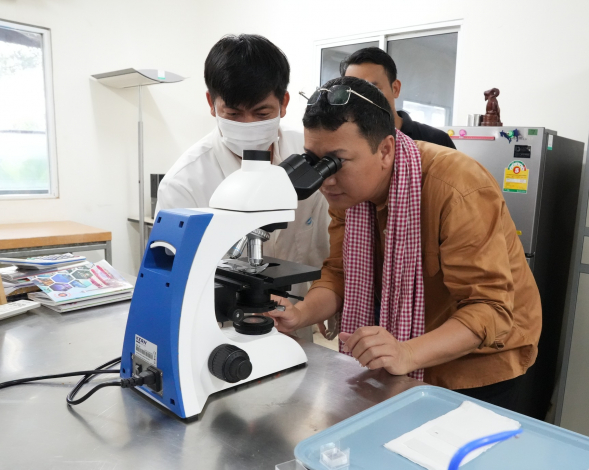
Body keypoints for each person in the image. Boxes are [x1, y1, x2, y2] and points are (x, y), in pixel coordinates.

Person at [268, 77, 542, 411]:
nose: (326, 179)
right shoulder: (349, 193)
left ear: (385, 150)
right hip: (405, 353)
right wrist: (300, 314)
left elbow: (489, 309)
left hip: (477, 364)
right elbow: (340, 273)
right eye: (315, 160)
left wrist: (407, 352)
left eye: (337, 162)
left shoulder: (457, 187)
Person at [157, 35, 330, 339]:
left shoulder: (308, 153)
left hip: (296, 322)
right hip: (220, 331)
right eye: (234, 114)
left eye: (262, 114)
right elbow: (172, 281)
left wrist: (319, 307)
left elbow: (328, 247)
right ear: (212, 103)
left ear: (284, 103)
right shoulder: (184, 183)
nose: (249, 124)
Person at [340, 47, 455, 149]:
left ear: (395, 89)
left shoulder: (437, 141)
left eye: (373, 89)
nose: (362, 98)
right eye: (354, 91)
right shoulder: (343, 143)